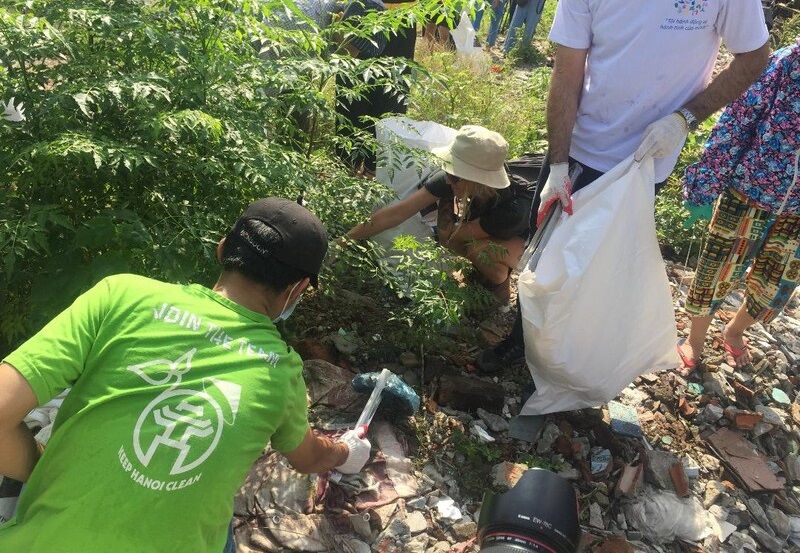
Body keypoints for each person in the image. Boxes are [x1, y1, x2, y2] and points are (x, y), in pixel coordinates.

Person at [0, 198, 371, 552]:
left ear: (222, 249)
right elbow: (308, 458)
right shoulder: (281, 371)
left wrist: (43, 468)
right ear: (298, 289)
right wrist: (347, 451)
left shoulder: (121, 296)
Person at [477, 0, 771, 372]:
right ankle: (523, 343)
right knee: (547, 256)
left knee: (604, 267)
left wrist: (685, 118)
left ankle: (574, 356)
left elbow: (754, 56)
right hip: (582, 150)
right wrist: (558, 164)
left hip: (646, 162)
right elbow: (567, 74)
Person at [677, 39, 800, 374]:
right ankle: (695, 339)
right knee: (716, 271)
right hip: (749, 191)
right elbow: (737, 122)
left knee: (776, 285)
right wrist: (705, 184)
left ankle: (734, 331)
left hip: (796, 211)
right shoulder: (786, 63)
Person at [345, 125, 535, 301]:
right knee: (459, 241)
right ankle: (482, 275)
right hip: (491, 225)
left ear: (479, 180)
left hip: (526, 239)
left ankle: (498, 286)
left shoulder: (514, 209)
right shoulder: (453, 179)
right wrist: (345, 241)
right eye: (448, 171)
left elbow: (453, 238)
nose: (447, 180)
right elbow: (397, 213)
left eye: (454, 176)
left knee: (479, 251)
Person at [336, 0, 417, 174]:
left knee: (388, 98)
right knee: (354, 95)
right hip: (370, 12)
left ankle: (371, 170)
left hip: (398, 18)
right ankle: (350, 166)